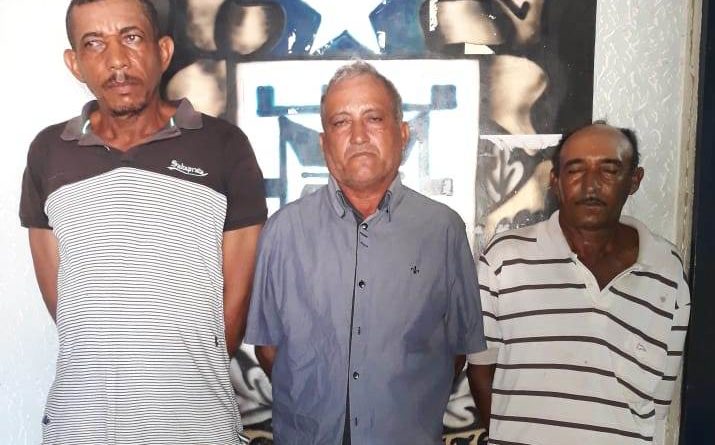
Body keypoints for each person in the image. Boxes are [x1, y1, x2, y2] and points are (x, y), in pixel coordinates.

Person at [19, 0, 266, 443]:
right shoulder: (48, 153)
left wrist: (180, 375)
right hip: (81, 427)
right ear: (74, 63)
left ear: (163, 51)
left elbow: (234, 306)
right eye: (94, 43)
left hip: (196, 426)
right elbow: (66, 304)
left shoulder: (223, 146)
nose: (116, 60)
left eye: (131, 37)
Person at [244, 61, 486, 445]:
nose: (358, 136)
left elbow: (456, 351)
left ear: (402, 133)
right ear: (323, 143)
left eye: (373, 118)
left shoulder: (443, 231)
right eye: (341, 122)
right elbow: (269, 351)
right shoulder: (283, 233)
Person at [467, 122, 690, 444]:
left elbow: (657, 402)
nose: (590, 185)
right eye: (575, 170)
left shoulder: (666, 270)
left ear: (634, 180)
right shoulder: (504, 260)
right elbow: (480, 369)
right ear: (555, 181)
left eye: (609, 170)